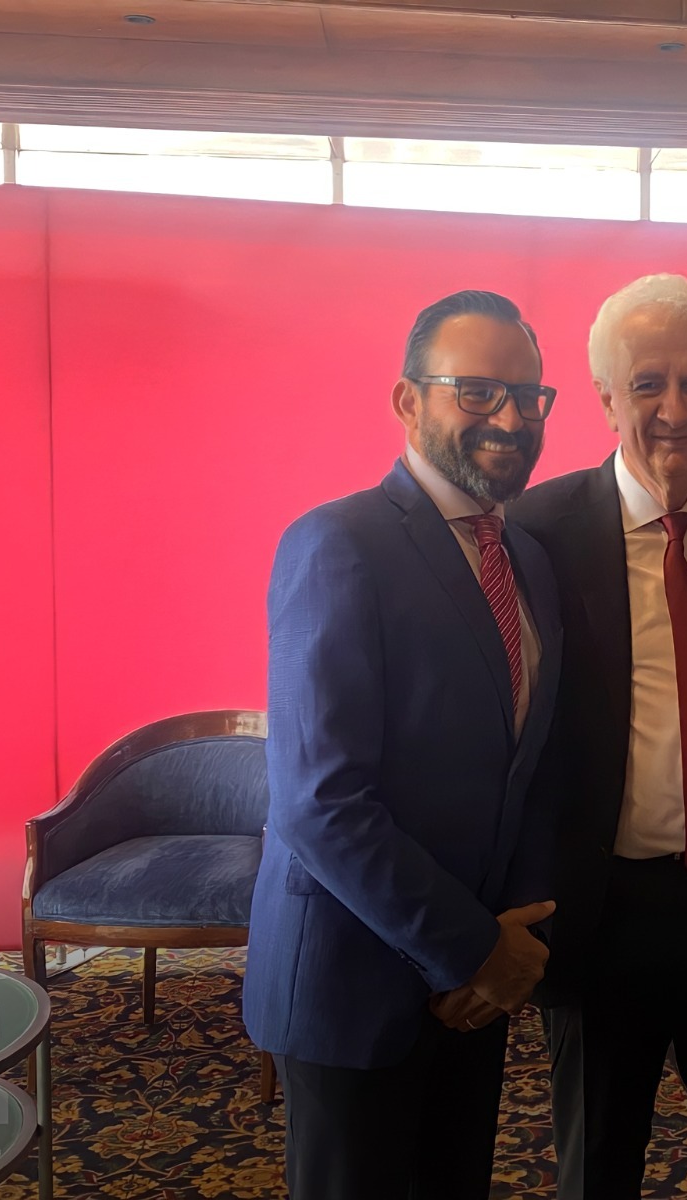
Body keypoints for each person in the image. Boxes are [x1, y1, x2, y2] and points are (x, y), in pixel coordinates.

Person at [243, 289, 564, 1200]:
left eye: (528, 397)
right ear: (407, 399)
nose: (510, 419)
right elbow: (320, 804)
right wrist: (472, 949)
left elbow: (529, 768)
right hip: (355, 989)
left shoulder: (528, 561)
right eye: (478, 392)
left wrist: (512, 945)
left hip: (475, 993)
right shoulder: (337, 544)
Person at [508, 273, 687, 1199]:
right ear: (605, 399)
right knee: (597, 1167)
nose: (675, 410)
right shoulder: (536, 533)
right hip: (604, 912)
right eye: (647, 384)